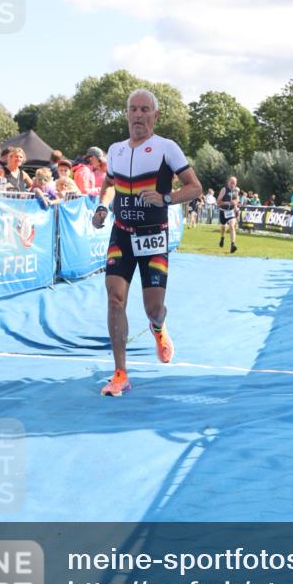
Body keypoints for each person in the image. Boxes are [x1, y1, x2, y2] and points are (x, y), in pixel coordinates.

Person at [92, 89, 201, 397]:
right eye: (133, 109)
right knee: (115, 299)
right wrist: (102, 206)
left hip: (153, 236)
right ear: (127, 115)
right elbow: (109, 184)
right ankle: (120, 373)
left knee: (153, 308)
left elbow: (195, 187)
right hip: (121, 234)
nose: (138, 115)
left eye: (144, 110)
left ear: (155, 115)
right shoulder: (115, 150)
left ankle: (158, 328)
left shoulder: (167, 148)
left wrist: (166, 197)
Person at [217, 175, 240, 253]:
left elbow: (236, 201)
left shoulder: (236, 191)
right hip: (223, 211)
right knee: (223, 227)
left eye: (234, 183)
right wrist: (227, 202)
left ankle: (232, 245)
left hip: (231, 212)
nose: (232, 184)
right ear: (228, 182)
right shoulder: (224, 190)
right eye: (231, 183)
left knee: (232, 226)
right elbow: (218, 202)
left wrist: (236, 206)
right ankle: (222, 238)